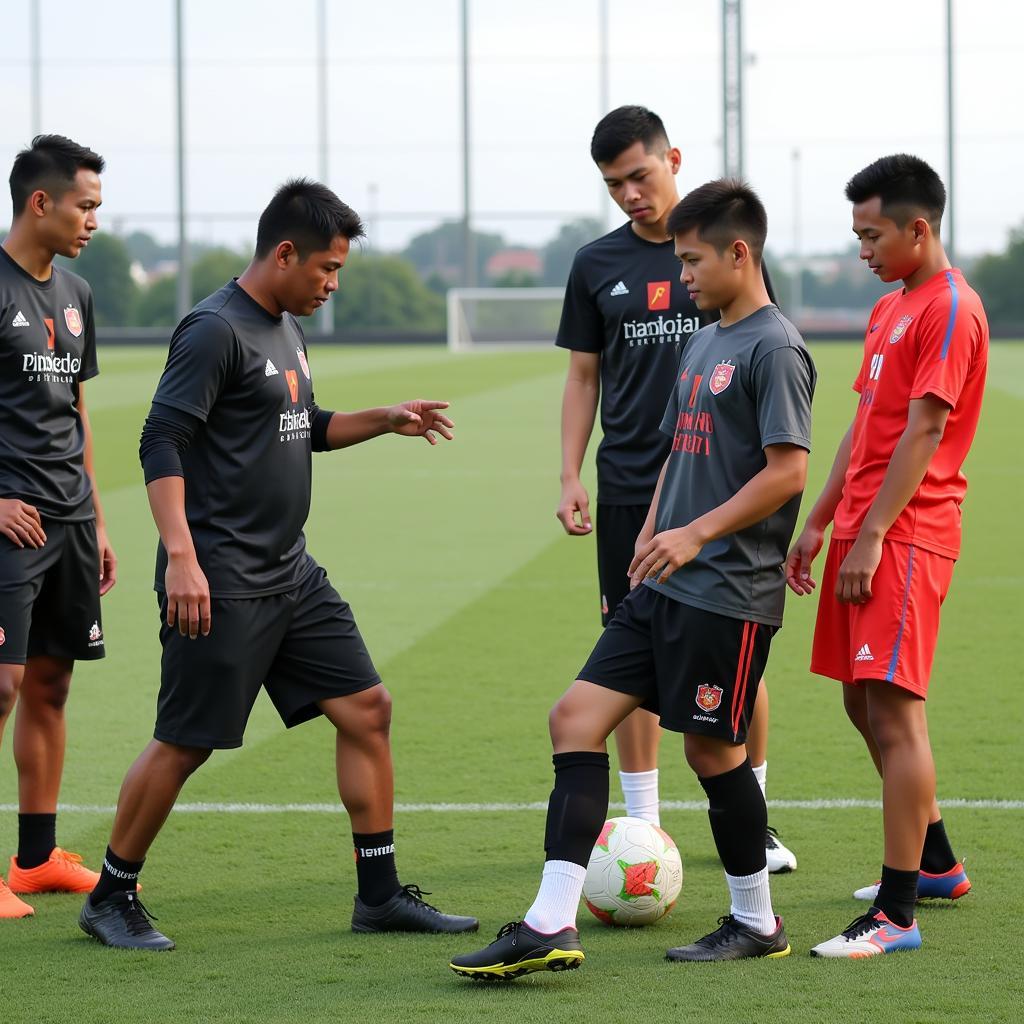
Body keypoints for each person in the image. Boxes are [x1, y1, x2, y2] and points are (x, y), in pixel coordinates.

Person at [79, 179, 478, 950]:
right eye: (327, 269)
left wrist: (386, 419)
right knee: (186, 741)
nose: (333, 285)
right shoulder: (213, 329)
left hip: (291, 575)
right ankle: (110, 895)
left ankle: (380, 895)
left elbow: (306, 425)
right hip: (221, 580)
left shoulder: (288, 328)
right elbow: (160, 441)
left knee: (368, 709)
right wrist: (184, 561)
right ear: (284, 252)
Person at [451, 179, 815, 978]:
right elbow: (678, 450)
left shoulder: (774, 347)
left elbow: (788, 472)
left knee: (713, 756)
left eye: (691, 261)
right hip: (663, 580)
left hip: (726, 590)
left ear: (738, 253)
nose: (681, 276)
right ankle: (549, 924)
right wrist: (655, 524)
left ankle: (756, 920)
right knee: (574, 719)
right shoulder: (706, 338)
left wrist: (695, 533)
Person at [555, 104, 796, 872]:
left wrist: (699, 524)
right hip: (637, 483)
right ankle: (641, 829)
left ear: (673, 160)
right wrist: (571, 473)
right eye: (612, 183)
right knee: (624, 657)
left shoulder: (736, 272)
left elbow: (777, 407)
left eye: (639, 174)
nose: (628, 193)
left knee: (730, 669)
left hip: (724, 491)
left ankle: (753, 819)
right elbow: (583, 373)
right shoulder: (596, 264)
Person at [787, 154, 986, 958]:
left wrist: (870, 534)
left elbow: (927, 430)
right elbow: (866, 426)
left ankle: (898, 914)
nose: (862, 250)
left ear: (919, 228)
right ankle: (935, 865)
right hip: (861, 529)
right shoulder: (890, 308)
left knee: (897, 711)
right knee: (860, 702)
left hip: (905, 534)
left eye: (872, 235)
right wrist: (820, 519)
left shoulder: (949, 308)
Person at [0, 135, 116, 919]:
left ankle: (36, 859)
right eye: (85, 206)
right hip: (7, 519)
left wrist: (99, 521)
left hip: (70, 521)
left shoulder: (76, 290)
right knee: (0, 685)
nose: (93, 222)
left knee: (51, 681)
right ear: (40, 202)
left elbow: (76, 413)